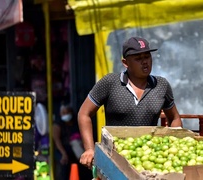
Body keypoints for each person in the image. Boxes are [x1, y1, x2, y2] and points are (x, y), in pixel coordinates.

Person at [78, 36, 183, 168]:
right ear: (125, 63)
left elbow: (174, 118)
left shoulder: (161, 85)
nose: (144, 62)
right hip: (113, 158)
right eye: (138, 58)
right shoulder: (110, 82)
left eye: (147, 56)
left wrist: (174, 146)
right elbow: (84, 113)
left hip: (149, 159)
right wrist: (89, 149)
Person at [52, 103, 91, 180]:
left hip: (78, 152)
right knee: (64, 172)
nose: (66, 115)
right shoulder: (57, 126)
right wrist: (63, 154)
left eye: (67, 112)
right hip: (64, 151)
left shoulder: (76, 123)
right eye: (63, 113)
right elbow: (57, 141)